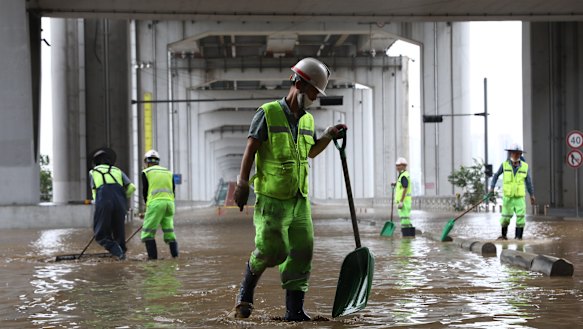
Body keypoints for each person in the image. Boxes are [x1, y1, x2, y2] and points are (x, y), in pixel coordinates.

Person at [232, 57, 346, 321]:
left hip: (299, 199)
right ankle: (245, 290)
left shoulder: (307, 121)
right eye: (315, 91)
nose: (316, 98)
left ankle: (294, 312)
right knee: (273, 250)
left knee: (302, 251)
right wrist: (242, 184)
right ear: (300, 84)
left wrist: (328, 135)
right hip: (272, 198)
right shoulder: (268, 112)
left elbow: (311, 152)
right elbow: (251, 148)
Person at [89, 148, 136, 260]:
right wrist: (123, 197)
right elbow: (132, 187)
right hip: (120, 202)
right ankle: (122, 253)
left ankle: (117, 251)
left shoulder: (93, 172)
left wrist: (100, 208)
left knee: (100, 234)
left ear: (96, 162)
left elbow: (95, 193)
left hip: (104, 200)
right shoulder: (118, 171)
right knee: (119, 232)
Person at [489, 143, 536, 240]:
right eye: (514, 153)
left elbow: (528, 182)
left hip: (520, 198)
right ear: (510, 153)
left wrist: (532, 195)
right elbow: (495, 176)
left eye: (518, 153)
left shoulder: (525, 167)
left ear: (520, 154)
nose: (516, 155)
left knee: (521, 217)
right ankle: (503, 236)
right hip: (508, 197)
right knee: (505, 217)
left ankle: (518, 238)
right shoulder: (504, 165)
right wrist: (492, 188)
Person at [140, 149, 178, 260]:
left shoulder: (146, 172)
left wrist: (148, 206)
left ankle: (152, 260)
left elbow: (145, 191)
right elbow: (173, 189)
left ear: (146, 161)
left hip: (155, 204)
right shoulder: (169, 172)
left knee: (148, 233)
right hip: (170, 204)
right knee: (169, 232)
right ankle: (175, 257)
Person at [394, 157, 414, 236]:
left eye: (399, 165)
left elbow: (405, 188)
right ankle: (410, 235)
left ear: (403, 166)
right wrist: (395, 184)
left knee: (404, 219)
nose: (397, 167)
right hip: (406, 201)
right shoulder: (403, 175)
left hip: (404, 202)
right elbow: (402, 186)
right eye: (396, 165)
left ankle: (406, 239)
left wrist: (401, 201)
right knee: (406, 219)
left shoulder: (403, 176)